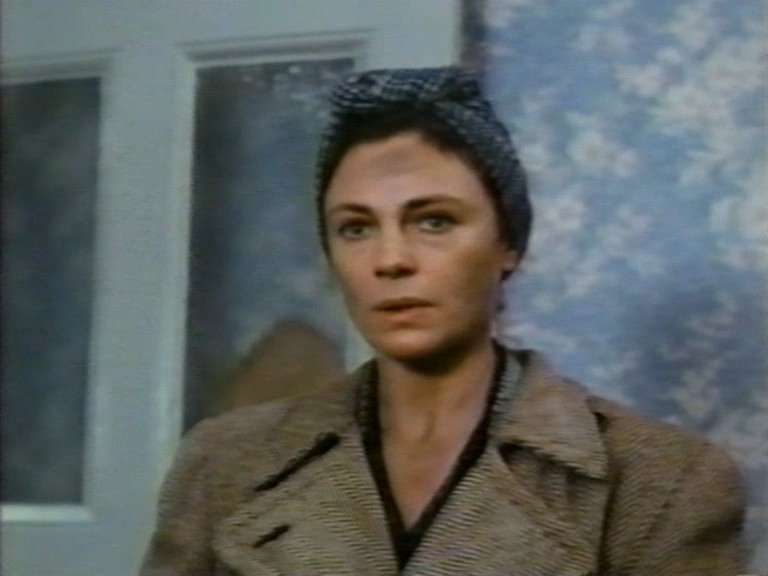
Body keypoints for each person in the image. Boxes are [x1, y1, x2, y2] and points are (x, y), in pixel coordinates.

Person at [140, 67, 747, 575]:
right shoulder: (225, 461)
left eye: (434, 221)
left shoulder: (660, 480)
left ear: (508, 244)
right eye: (356, 228)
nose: (390, 260)